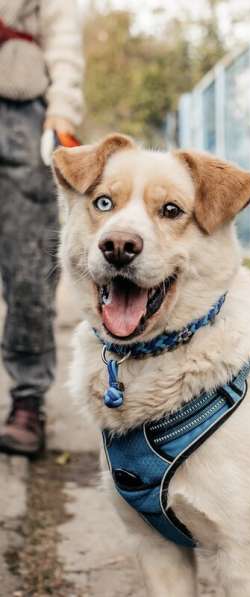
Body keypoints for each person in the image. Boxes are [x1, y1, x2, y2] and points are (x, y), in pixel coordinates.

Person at [0, 1, 84, 456]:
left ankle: (28, 400)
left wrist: (62, 112)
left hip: (20, 116)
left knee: (29, 270)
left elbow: (64, 37)